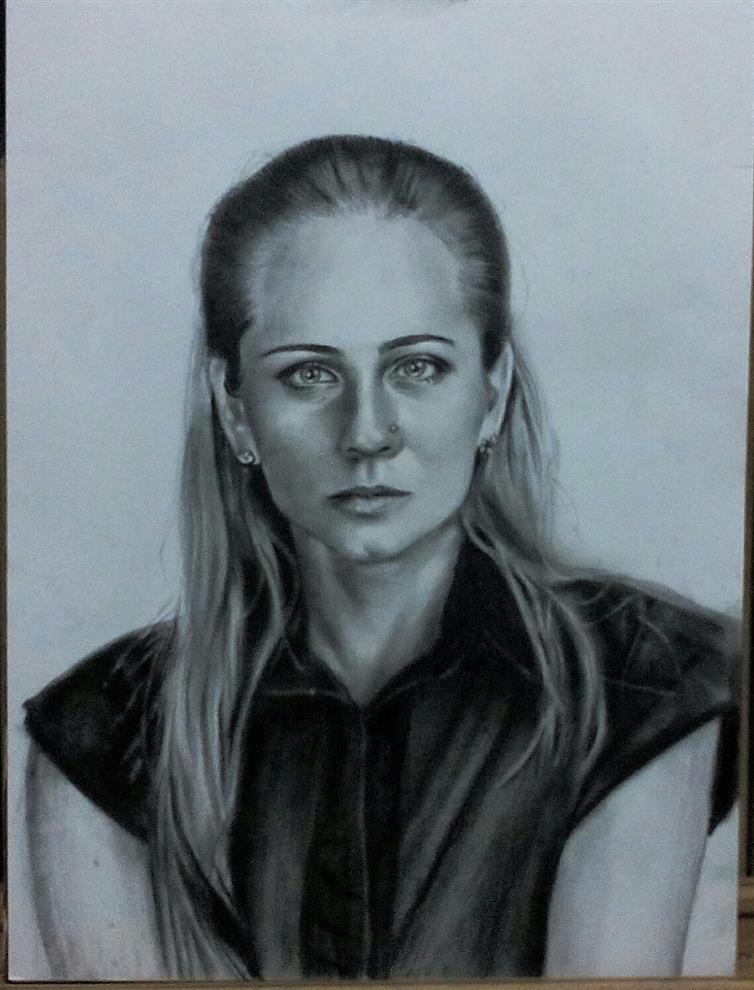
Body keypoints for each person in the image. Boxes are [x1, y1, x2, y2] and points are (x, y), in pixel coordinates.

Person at [23, 135, 739, 981]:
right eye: (309, 375)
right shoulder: (105, 734)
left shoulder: (644, 684)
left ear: (493, 393)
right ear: (236, 410)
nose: (367, 433)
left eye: (417, 367)